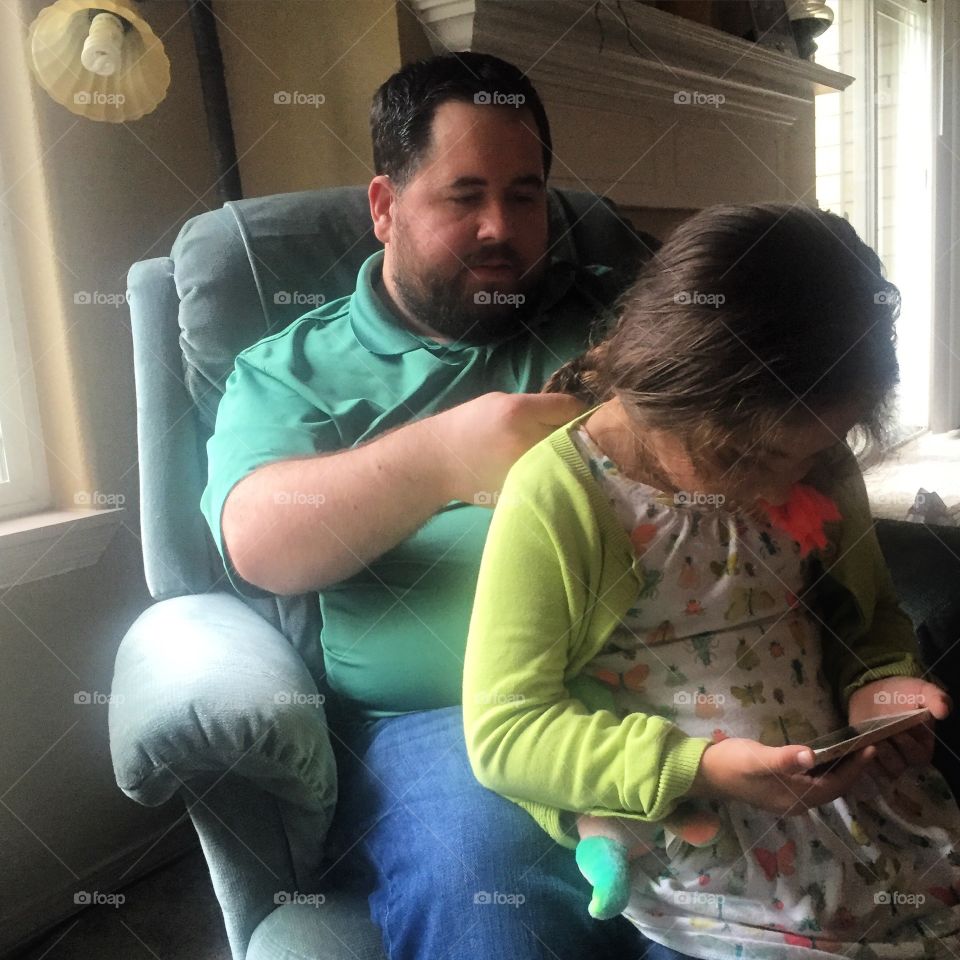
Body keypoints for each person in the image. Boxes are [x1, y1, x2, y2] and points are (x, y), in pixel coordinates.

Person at [200, 52, 658, 959]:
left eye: (526, 196)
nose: (502, 228)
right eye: (465, 196)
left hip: (663, 686)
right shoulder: (293, 371)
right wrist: (449, 455)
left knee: (767, 900)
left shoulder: (618, 325)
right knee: (488, 906)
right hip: (444, 725)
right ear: (385, 208)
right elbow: (259, 540)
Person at [462, 203, 960, 960]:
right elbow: (505, 732)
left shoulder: (817, 460)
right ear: (677, 395)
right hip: (709, 847)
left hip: (858, 815)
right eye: (755, 461)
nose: (786, 485)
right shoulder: (563, 494)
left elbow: (872, 621)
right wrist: (697, 768)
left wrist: (880, 689)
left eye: (814, 455)